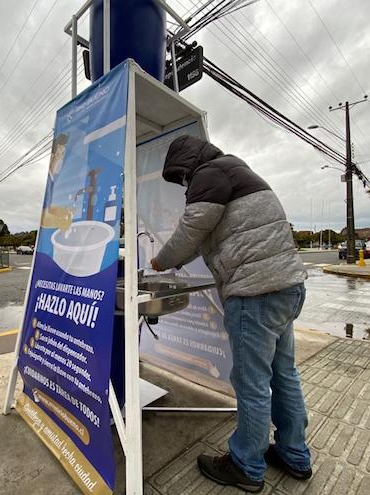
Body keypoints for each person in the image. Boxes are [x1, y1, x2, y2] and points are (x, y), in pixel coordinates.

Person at [151, 136, 310, 492]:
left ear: (187, 165)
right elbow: (216, 234)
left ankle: (246, 465)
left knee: (252, 384)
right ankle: (294, 454)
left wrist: (160, 261)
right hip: (287, 287)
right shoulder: (237, 170)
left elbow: (190, 232)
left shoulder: (208, 175)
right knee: (284, 375)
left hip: (254, 295)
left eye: (181, 178)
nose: (183, 185)